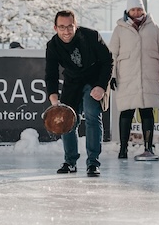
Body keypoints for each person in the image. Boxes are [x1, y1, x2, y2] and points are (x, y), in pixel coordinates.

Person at [45, 10, 114, 177]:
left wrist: (101, 86)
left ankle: (93, 162)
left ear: (75, 25)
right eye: (62, 27)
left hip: (94, 80)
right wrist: (53, 95)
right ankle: (70, 161)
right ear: (55, 28)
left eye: (70, 27)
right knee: (67, 121)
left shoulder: (91, 36)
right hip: (72, 83)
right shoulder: (53, 45)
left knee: (92, 115)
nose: (66, 31)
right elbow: (51, 73)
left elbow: (108, 61)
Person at [108, 0, 159, 161]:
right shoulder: (120, 29)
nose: (137, 12)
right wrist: (111, 75)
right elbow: (112, 54)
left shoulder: (153, 27)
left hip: (148, 77)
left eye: (139, 9)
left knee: (146, 112)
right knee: (126, 113)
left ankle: (148, 147)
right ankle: (123, 149)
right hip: (127, 77)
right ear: (128, 11)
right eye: (133, 9)